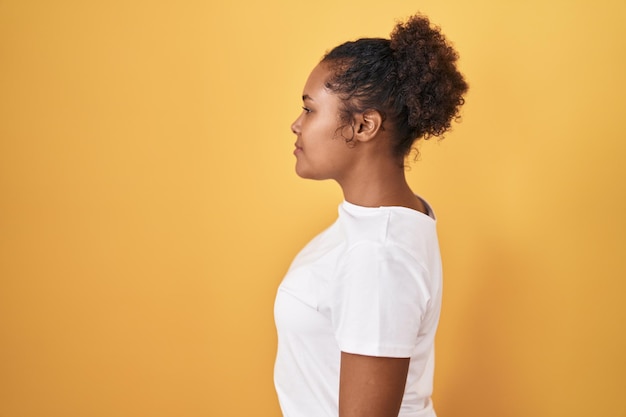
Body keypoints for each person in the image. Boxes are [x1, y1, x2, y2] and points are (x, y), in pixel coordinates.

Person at [274, 13, 468, 417]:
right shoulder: (378, 224)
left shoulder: (379, 255)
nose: (296, 125)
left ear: (364, 126)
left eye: (309, 110)